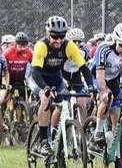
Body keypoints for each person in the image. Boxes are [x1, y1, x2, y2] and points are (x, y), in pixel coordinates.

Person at [29, 16, 95, 156]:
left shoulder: (69, 46)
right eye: (54, 36)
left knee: (64, 102)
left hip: (56, 79)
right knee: (46, 99)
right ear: (48, 34)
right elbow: (35, 72)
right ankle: (43, 141)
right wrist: (45, 89)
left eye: (61, 36)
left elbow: (84, 68)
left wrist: (90, 86)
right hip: (38, 78)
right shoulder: (41, 46)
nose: (58, 40)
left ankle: (55, 135)